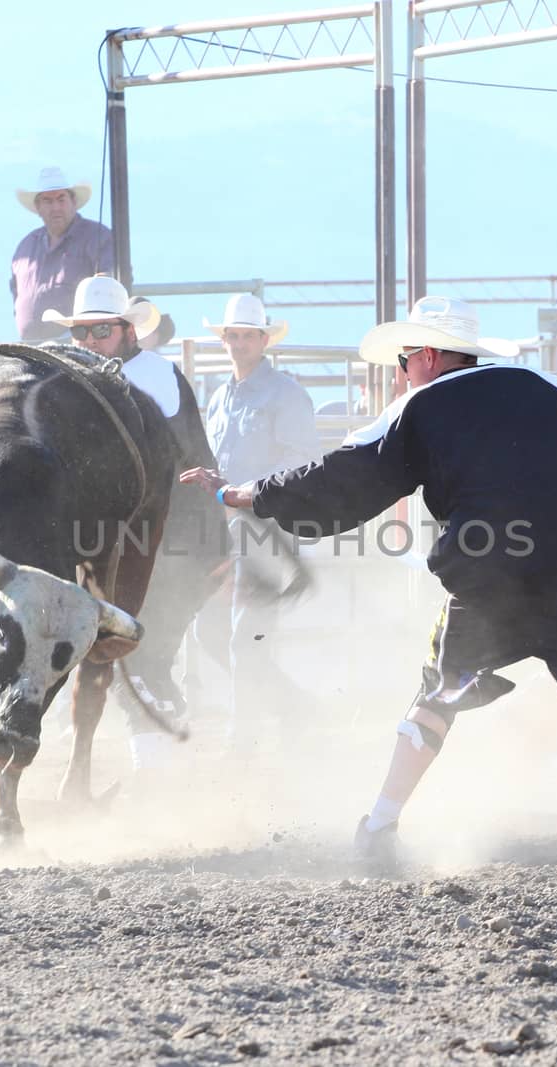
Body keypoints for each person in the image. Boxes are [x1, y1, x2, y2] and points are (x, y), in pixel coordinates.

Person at [180, 296, 557, 863]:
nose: (402, 370)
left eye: (405, 358)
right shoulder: (538, 384)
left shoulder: (411, 411)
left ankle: (380, 824)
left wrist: (241, 493)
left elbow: (336, 476)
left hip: (484, 585)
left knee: (436, 699)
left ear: (431, 356)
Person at [41, 276, 225, 771]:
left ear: (127, 331)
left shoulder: (151, 377)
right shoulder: (107, 380)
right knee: (137, 652)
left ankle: (160, 767)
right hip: (145, 546)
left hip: (175, 544)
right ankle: (164, 763)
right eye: (81, 334)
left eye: (100, 332)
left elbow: (177, 466)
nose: (88, 343)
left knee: (139, 652)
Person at [198, 293, 321, 753]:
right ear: (225, 339)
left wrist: (245, 492)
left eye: (249, 335)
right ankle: (292, 706)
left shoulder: (285, 394)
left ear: (264, 340)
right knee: (212, 631)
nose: (240, 343)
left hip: (267, 527)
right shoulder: (219, 398)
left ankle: (242, 739)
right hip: (229, 527)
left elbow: (303, 463)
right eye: (233, 335)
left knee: (244, 635)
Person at [11, 167, 115, 342]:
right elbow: (15, 291)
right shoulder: (26, 247)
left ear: (73, 202)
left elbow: (111, 287)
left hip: (78, 346)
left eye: (61, 199)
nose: (55, 207)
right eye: (48, 201)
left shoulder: (97, 237)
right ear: (38, 207)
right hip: (31, 348)